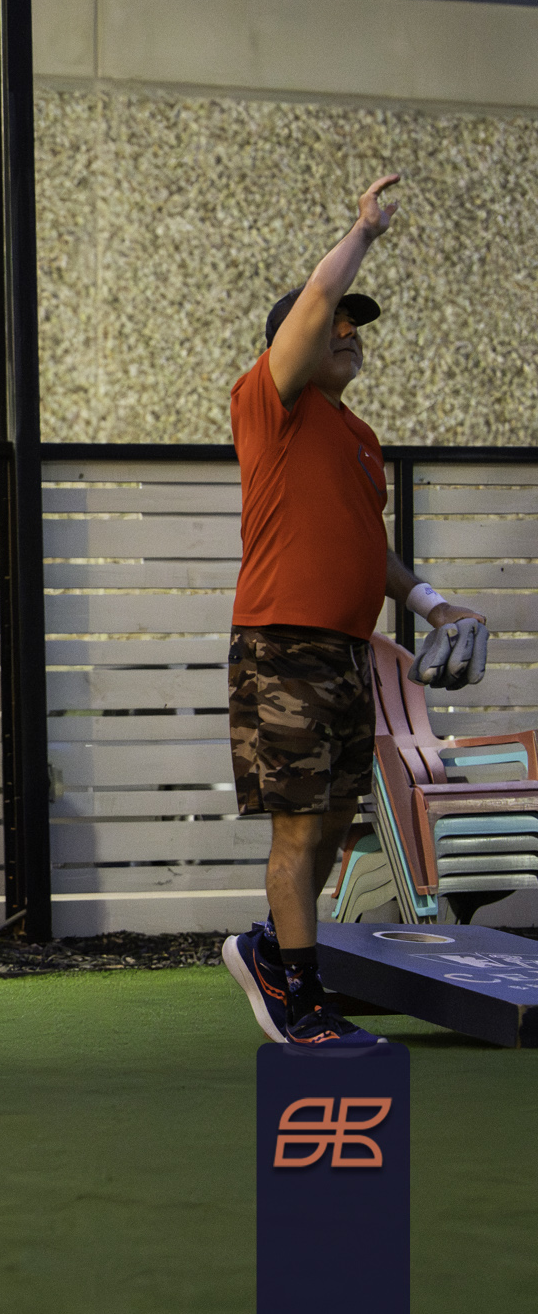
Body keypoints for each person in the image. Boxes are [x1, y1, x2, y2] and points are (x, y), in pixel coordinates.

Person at [221, 174, 488, 1046]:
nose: (347, 332)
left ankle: (271, 949)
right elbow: (316, 298)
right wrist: (362, 233)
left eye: (355, 326)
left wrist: (430, 602)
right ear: (291, 346)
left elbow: (367, 547)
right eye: (333, 324)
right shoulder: (270, 401)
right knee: (299, 828)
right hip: (281, 644)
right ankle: (302, 1006)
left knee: (337, 819)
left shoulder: (358, 436)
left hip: (344, 651)